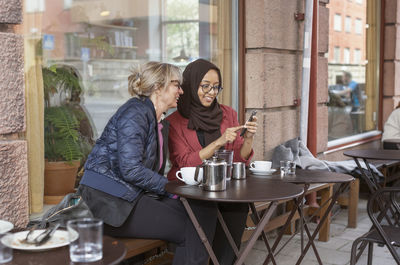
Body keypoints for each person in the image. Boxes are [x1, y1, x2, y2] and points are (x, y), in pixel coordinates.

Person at [78, 61, 219, 265]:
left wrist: (173, 190)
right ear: (157, 87)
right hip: (108, 203)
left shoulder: (156, 119)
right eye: (175, 85)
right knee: (191, 228)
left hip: (129, 195)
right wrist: (171, 188)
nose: (181, 91)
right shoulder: (135, 113)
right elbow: (131, 170)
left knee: (204, 210)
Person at [167, 59, 257, 265]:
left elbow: (239, 158)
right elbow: (184, 162)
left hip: (224, 187)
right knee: (204, 218)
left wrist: (249, 137)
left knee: (237, 208)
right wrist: (218, 142)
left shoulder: (227, 113)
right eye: (205, 86)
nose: (211, 92)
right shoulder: (174, 122)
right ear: (191, 84)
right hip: (192, 190)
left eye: (216, 87)